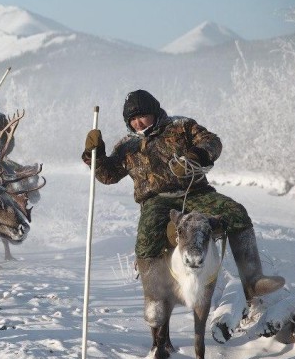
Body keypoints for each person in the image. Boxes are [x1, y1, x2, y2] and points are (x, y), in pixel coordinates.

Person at [82, 89, 284, 302]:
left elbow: (212, 142)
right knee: (146, 237)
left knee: (235, 212)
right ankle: (154, 297)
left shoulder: (181, 127)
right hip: (156, 201)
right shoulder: (127, 145)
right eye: (132, 119)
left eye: (141, 116)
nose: (138, 123)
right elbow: (108, 175)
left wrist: (195, 156)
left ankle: (253, 281)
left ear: (154, 111)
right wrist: (94, 154)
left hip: (196, 191)